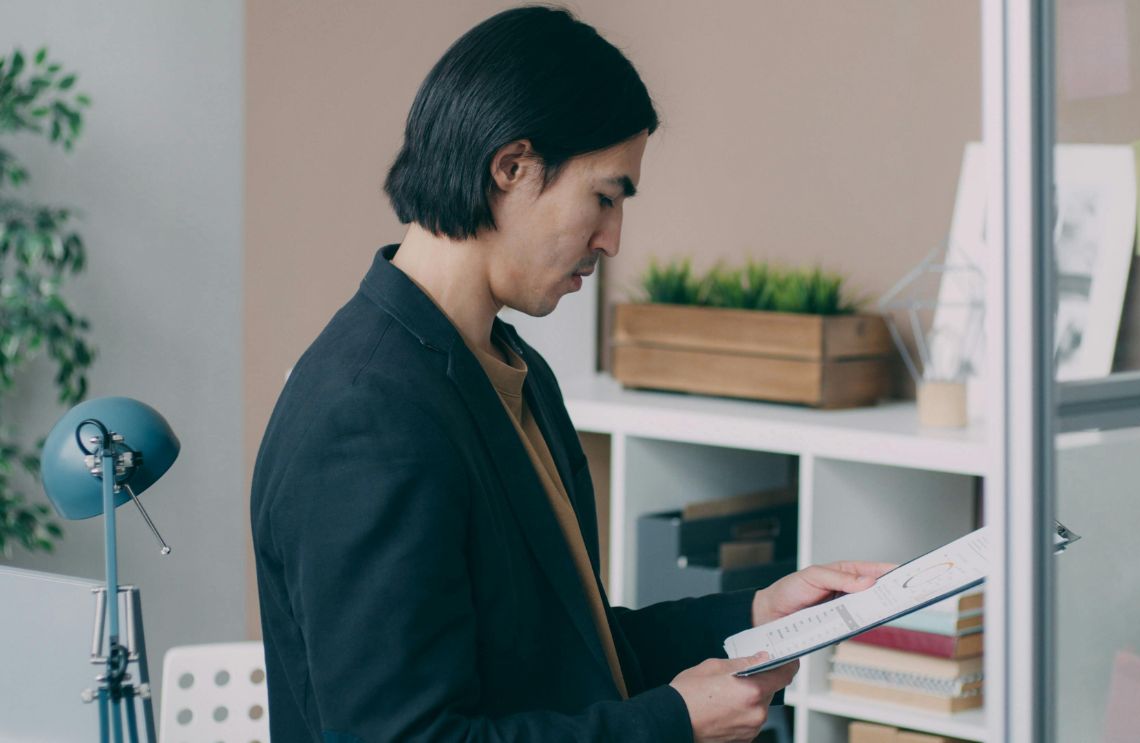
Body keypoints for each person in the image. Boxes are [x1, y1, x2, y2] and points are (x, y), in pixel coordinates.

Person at [251, 6, 891, 742]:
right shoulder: (367, 416)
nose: (612, 239)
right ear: (511, 167)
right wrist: (672, 723)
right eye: (604, 198)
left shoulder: (513, 372)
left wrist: (756, 614)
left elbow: (567, 653)